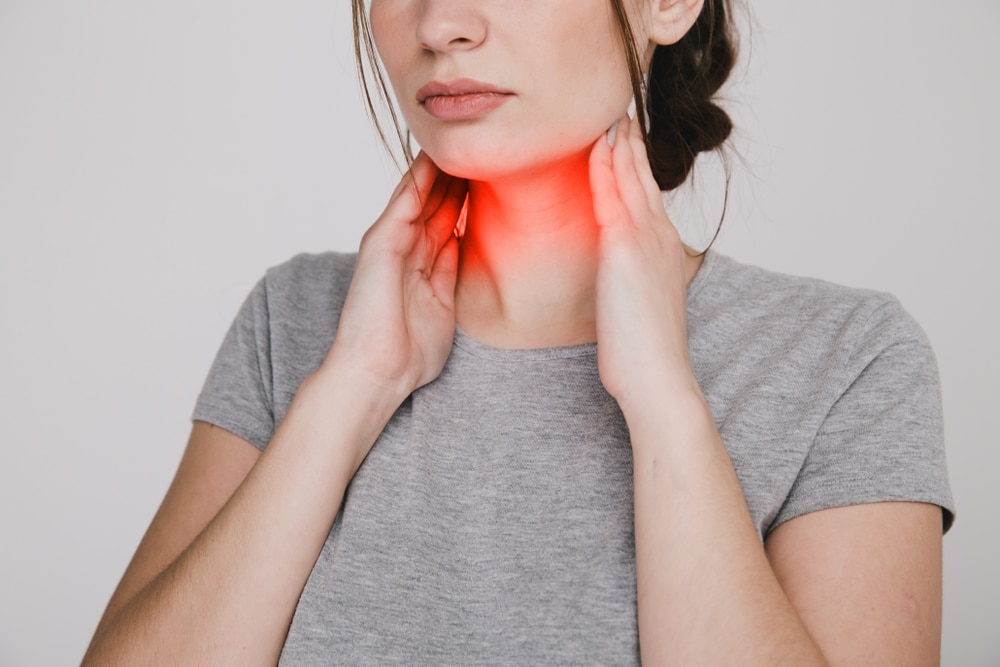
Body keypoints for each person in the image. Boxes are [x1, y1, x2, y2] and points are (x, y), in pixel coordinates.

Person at [82, 0, 954, 664]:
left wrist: (663, 399)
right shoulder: (297, 319)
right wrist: (352, 386)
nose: (441, 25)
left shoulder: (848, 360)